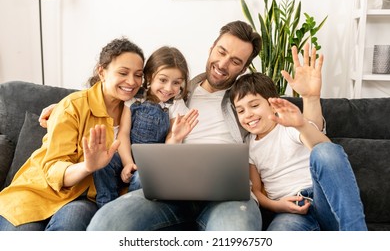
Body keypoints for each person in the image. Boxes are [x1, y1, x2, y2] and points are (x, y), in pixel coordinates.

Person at [85, 21, 325, 231]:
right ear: (211, 48)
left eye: (235, 61)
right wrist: (64, 107)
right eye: (221, 52)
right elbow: (117, 94)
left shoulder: (246, 102)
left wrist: (312, 98)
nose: (222, 64)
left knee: (234, 233)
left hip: (229, 199)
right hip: (170, 194)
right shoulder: (174, 90)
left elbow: (308, 130)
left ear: (243, 69)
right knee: (105, 224)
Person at [0, 37, 146, 230]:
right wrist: (88, 166)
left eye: (138, 75)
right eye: (123, 72)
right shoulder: (73, 105)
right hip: (38, 191)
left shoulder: (139, 112)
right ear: (101, 72)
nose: (132, 81)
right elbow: (53, 169)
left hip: (84, 198)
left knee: (72, 221)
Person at [229, 67, 367, 230]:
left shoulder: (289, 125)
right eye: (241, 110)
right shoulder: (249, 146)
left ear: (273, 104)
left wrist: (301, 125)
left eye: (254, 105)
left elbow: (325, 151)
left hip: (325, 200)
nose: (248, 114)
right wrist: (277, 206)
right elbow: (257, 192)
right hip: (291, 211)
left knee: (324, 150)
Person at [93, 46, 199, 208]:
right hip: (126, 155)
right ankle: (105, 206)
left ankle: (128, 208)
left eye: (176, 83)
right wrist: (128, 163)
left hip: (153, 165)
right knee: (102, 164)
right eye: (163, 80)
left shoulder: (175, 105)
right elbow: (123, 133)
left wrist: (176, 138)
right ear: (149, 77)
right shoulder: (135, 98)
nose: (169, 88)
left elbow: (169, 150)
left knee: (142, 177)